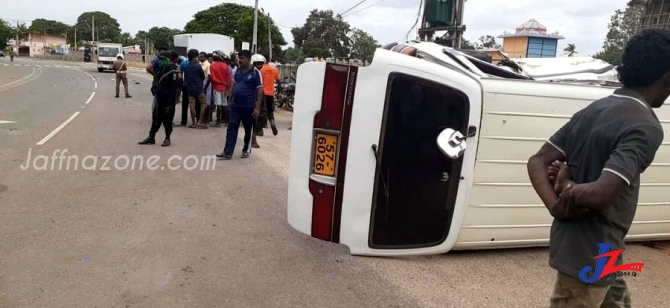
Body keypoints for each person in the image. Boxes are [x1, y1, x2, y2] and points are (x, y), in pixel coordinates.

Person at [527, 28, 668, 308]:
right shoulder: (644, 125)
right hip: (590, 254)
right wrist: (566, 189)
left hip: (603, 249)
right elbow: (602, 193)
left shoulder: (592, 111)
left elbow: (537, 162)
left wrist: (558, 201)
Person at [216, 50, 263, 159]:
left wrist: (257, 108)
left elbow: (260, 90)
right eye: (239, 58)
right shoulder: (237, 71)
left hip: (249, 106)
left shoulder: (255, 72)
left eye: (242, 58)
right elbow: (234, 85)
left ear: (248, 59)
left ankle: (246, 149)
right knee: (231, 127)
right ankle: (227, 152)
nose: (239, 60)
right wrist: (230, 100)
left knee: (248, 129)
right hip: (236, 105)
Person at [139, 51, 181, 146]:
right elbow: (158, 79)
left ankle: (167, 138)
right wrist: (155, 88)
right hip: (159, 97)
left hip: (168, 99)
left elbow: (174, 87)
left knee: (167, 120)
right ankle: (151, 137)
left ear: (168, 59)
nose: (159, 61)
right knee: (156, 118)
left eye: (162, 59)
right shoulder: (163, 68)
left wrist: (171, 103)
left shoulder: (173, 69)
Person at [184, 49, 208, 128]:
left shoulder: (186, 67)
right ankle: (200, 122)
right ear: (195, 57)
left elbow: (186, 78)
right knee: (203, 103)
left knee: (191, 105)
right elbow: (203, 76)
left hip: (190, 89)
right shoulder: (198, 66)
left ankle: (193, 123)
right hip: (199, 88)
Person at [209, 52, 233, 127]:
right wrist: (227, 86)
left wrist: (220, 82)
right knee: (224, 104)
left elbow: (213, 78)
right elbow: (229, 77)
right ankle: (226, 122)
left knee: (218, 104)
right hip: (225, 87)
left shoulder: (212, 65)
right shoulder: (225, 65)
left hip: (217, 87)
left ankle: (218, 122)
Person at [259, 54, 281, 135]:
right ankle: (272, 122)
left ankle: (260, 130)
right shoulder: (274, 70)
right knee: (270, 110)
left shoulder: (261, 70)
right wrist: (278, 92)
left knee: (262, 111)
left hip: (262, 94)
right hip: (270, 94)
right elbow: (279, 82)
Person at [250, 54, 268, 146]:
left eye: (261, 64)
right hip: (251, 95)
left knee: (263, 113)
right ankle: (253, 139)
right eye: (258, 64)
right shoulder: (251, 72)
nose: (260, 66)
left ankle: (256, 132)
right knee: (253, 118)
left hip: (261, 93)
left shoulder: (259, 72)